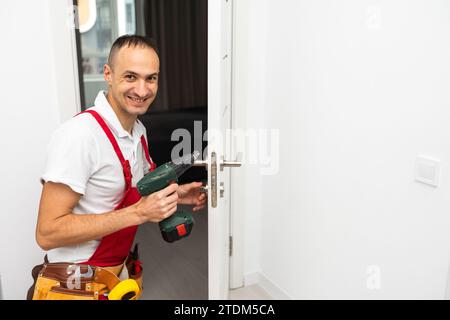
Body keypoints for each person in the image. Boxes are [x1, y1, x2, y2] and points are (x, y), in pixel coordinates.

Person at [28, 35, 207, 300]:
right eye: (131, 77)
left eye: (151, 78)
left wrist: (175, 195)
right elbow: (47, 232)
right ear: (108, 74)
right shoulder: (79, 136)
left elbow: (130, 191)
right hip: (74, 285)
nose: (143, 90)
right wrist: (139, 213)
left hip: (114, 276)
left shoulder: (138, 131)